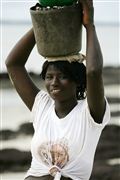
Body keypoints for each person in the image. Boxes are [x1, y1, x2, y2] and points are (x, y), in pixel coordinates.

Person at [5, 0, 110, 180]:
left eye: (62, 76)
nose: (54, 82)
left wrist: (89, 24)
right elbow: (13, 64)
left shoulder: (89, 114)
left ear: (77, 81)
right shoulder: (42, 107)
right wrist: (43, 21)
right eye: (49, 77)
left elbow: (93, 71)